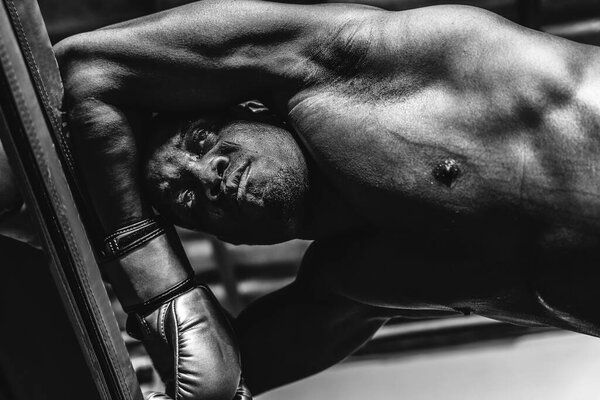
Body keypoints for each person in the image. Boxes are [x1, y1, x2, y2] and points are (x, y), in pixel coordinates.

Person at [3, 0, 600, 396]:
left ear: (251, 108)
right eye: (183, 196)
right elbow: (222, 375)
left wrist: (154, 275)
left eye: (202, 139)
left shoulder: (364, 64)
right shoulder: (356, 282)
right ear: (225, 241)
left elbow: (91, 65)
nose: (206, 173)